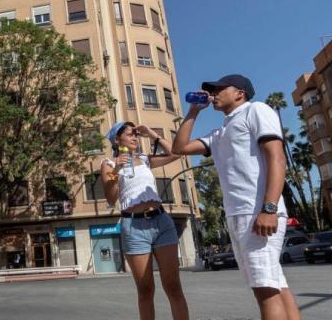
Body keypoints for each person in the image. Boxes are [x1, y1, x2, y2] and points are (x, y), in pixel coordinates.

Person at [172, 74, 303, 320]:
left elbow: (277, 157)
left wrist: (270, 208)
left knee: (265, 291)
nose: (214, 93)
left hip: (257, 212)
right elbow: (179, 148)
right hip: (238, 214)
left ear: (239, 93)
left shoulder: (256, 110)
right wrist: (193, 112)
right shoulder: (220, 132)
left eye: (220, 88)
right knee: (275, 285)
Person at [101, 121, 189, 320]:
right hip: (134, 226)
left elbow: (175, 154)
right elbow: (111, 197)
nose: (135, 138)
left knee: (173, 286)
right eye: (130, 134)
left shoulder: (145, 159)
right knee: (146, 289)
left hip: (161, 221)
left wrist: (151, 133)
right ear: (117, 139)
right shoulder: (109, 164)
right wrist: (117, 171)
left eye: (136, 135)